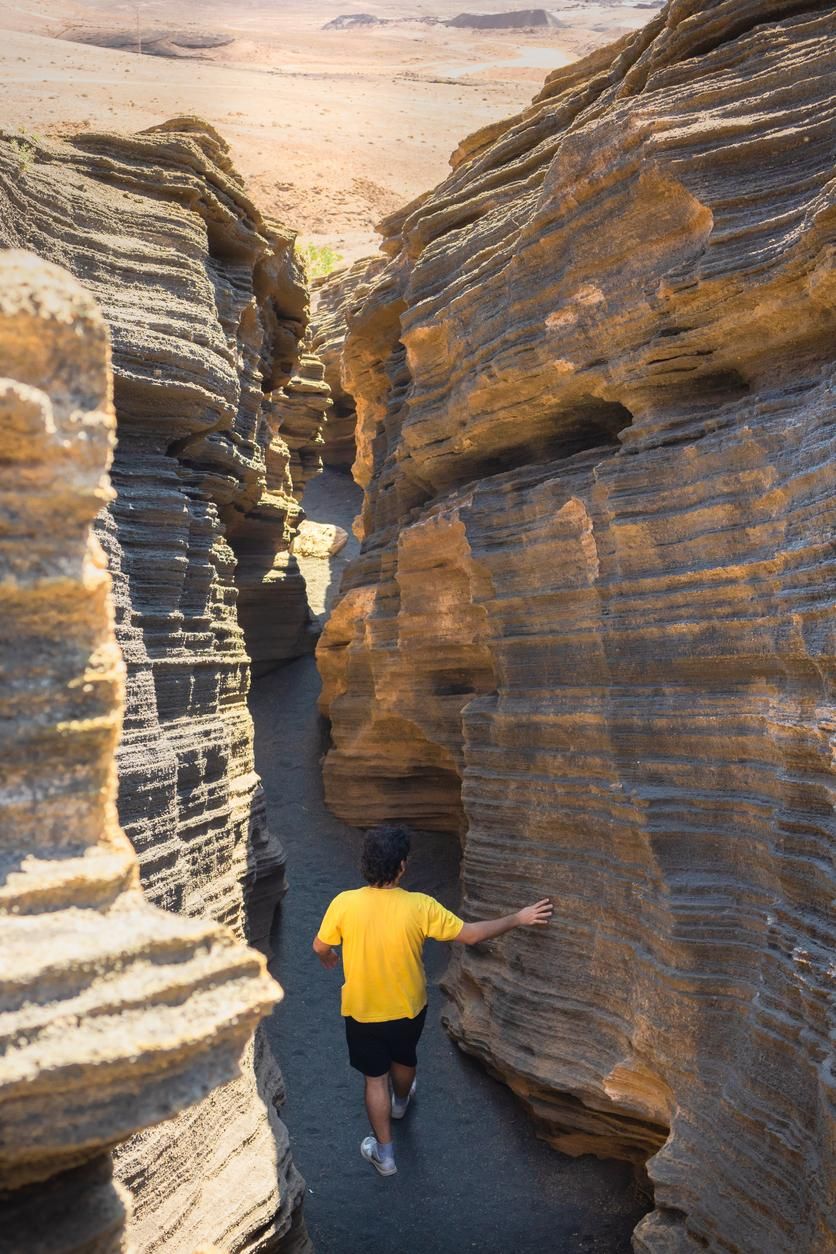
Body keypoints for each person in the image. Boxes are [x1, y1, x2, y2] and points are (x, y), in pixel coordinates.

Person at [312, 823, 553, 1177]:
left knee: (373, 1079)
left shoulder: (344, 904)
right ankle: (401, 1103)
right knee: (405, 1057)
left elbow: (320, 946)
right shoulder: (420, 907)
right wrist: (518, 918)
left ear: (365, 864)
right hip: (409, 1008)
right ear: (402, 866)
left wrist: (329, 956)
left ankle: (385, 1155)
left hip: (362, 1011)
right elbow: (470, 935)